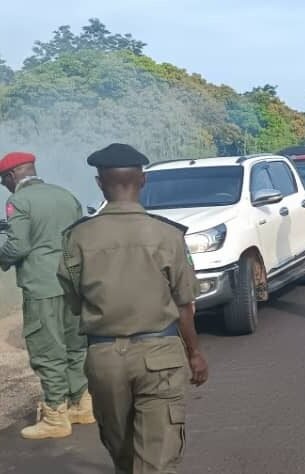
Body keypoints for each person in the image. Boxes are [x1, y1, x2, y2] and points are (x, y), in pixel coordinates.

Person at [57, 143, 209, 472]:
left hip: (104, 358)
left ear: (99, 184)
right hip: (160, 356)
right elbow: (185, 303)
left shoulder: (77, 237)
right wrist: (194, 353)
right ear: (143, 180)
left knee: (121, 452)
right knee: (157, 457)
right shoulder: (168, 234)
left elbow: (73, 301)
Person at [0, 152, 92, 440]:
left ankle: (55, 416)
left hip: (42, 286)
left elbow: (18, 246)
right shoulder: (66, 195)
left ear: (11, 176)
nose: (4, 187)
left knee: (47, 350)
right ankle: (81, 404)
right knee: (75, 346)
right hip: (73, 282)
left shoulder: (18, 201)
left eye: (3, 181)